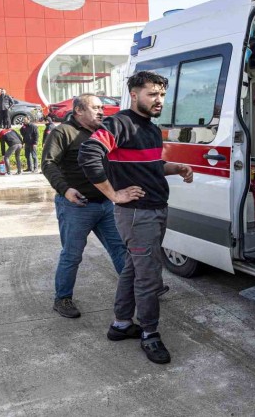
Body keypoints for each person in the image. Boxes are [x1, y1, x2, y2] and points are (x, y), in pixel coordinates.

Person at [78, 71, 194, 365]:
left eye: (162, 95)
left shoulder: (151, 129)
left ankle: (120, 324)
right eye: (152, 94)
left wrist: (174, 167)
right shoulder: (119, 123)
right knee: (149, 276)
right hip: (137, 215)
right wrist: (113, 194)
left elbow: (150, 166)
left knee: (133, 268)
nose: (159, 100)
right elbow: (89, 153)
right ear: (133, 94)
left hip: (153, 210)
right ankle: (150, 334)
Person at [43, 93, 128, 318]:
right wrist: (65, 189)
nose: (101, 111)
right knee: (72, 254)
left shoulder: (102, 133)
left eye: (102, 107)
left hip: (105, 203)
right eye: (95, 107)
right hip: (76, 205)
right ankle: (62, 299)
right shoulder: (63, 132)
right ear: (79, 110)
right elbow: (49, 164)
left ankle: (138, 287)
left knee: (120, 248)